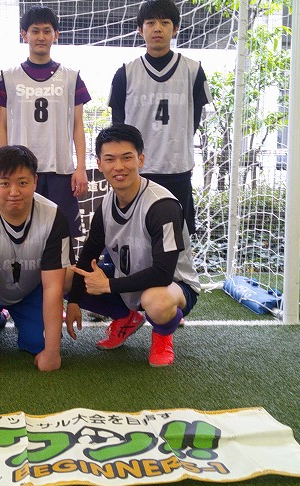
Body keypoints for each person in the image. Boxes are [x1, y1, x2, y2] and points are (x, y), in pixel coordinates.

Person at [65, 125, 200, 367]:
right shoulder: (107, 204)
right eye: (110, 159)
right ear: (100, 164)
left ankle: (162, 335)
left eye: (127, 157)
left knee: (156, 301)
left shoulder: (162, 206)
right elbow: (89, 255)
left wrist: (108, 285)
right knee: (65, 276)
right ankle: (127, 317)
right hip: (127, 280)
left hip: (172, 286)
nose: (119, 166)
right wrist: (73, 300)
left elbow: (163, 273)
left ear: (141, 160)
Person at [0, 145, 73, 375]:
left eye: (23, 182)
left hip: (30, 291)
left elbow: (53, 287)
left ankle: (19, 316)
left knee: (40, 343)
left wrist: (52, 352)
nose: (14, 192)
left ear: (35, 181)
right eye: (5, 183)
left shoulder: (53, 216)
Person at [108, 0, 211, 236]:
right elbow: (118, 126)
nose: (157, 29)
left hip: (177, 169)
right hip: (137, 171)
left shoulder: (193, 70)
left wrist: (175, 144)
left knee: (178, 238)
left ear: (175, 29)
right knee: (136, 236)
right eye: (151, 23)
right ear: (140, 29)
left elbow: (195, 119)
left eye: (165, 23)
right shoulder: (125, 73)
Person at [0, 5, 91, 238]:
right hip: (21, 170)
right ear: (24, 34)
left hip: (60, 169)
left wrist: (80, 167)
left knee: (61, 236)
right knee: (21, 235)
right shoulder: (8, 77)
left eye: (47, 31)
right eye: (35, 31)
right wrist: (1, 167)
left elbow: (78, 125)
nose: (41, 37)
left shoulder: (71, 77)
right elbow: (3, 125)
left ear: (56, 35)